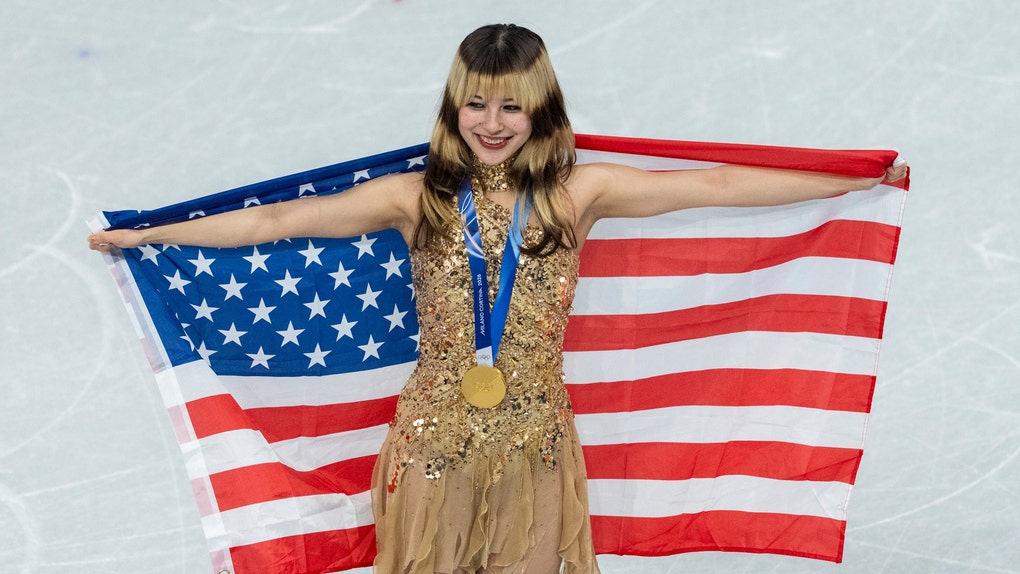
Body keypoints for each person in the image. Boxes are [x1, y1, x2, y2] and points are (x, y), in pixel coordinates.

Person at [89, 23, 907, 574]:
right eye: (477, 102)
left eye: (511, 104)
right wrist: (146, 237)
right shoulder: (417, 198)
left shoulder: (579, 194)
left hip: (535, 444)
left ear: (540, 108)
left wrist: (853, 175)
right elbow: (278, 218)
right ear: (454, 107)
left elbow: (716, 184)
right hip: (434, 440)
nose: (492, 120)